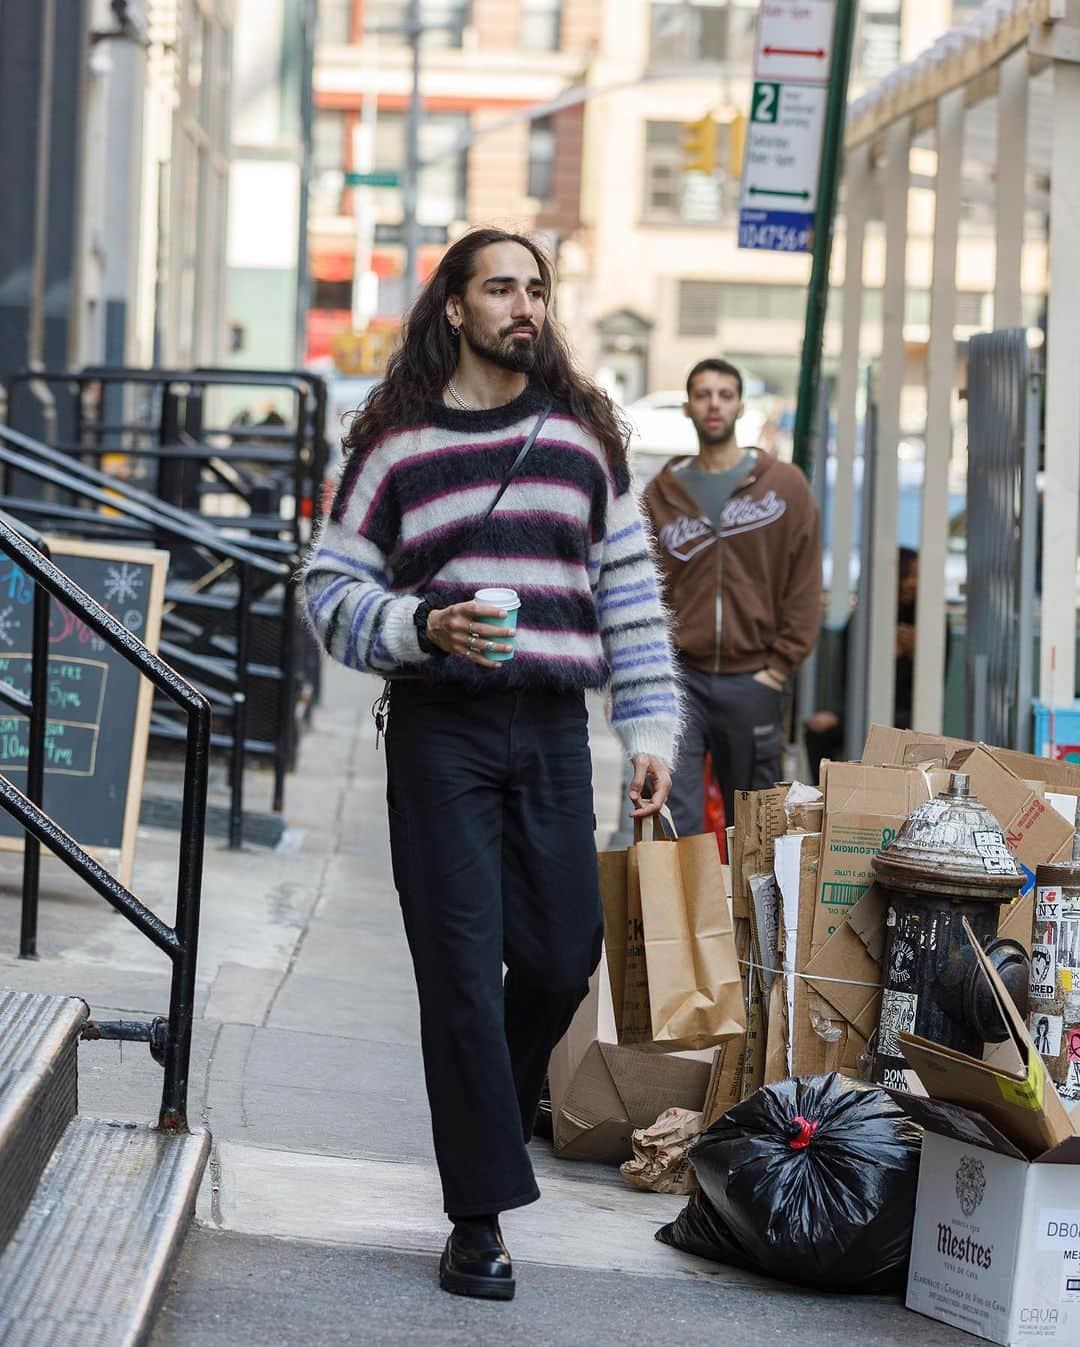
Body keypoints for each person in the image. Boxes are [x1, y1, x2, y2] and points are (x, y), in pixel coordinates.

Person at [302, 228, 680, 1302]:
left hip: (554, 725)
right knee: (462, 976)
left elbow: (632, 604)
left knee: (564, 959)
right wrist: (426, 627)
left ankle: (490, 1120)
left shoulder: (583, 443)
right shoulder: (396, 447)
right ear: (456, 310)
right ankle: (479, 1218)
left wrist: (647, 735)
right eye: (501, 288)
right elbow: (331, 594)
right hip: (441, 731)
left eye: (537, 288)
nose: (525, 305)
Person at [641, 357, 821, 834]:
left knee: (757, 825)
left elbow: (804, 584)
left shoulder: (784, 488)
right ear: (687, 407)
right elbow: (643, 589)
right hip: (682, 680)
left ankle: (753, 913)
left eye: (724, 394)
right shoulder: (661, 494)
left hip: (753, 678)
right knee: (673, 817)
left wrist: (778, 667)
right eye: (702, 394)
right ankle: (684, 911)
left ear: (740, 405)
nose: (713, 404)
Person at [803, 548, 944, 781]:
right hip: (861, 709)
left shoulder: (931, 621)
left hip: (910, 715)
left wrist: (914, 654)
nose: (913, 584)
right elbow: (851, 682)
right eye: (907, 576)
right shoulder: (863, 620)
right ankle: (823, 797)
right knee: (818, 730)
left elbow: (931, 692)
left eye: (918, 577)